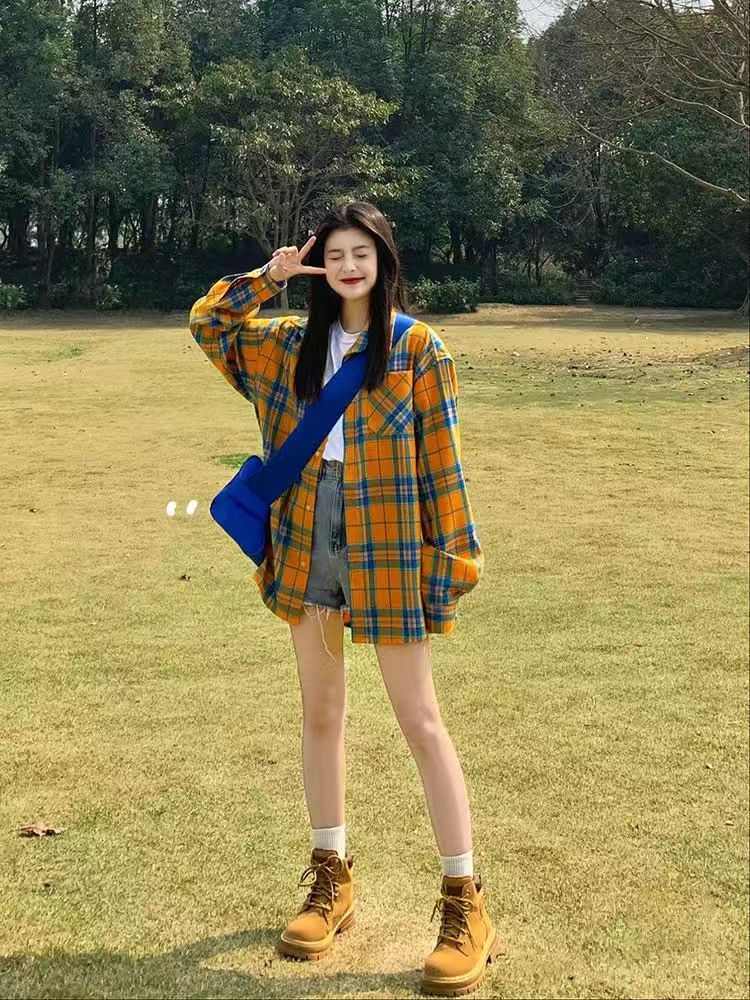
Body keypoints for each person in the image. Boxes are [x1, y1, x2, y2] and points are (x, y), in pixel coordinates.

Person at [188, 201, 500, 995]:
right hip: (307, 534)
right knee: (321, 712)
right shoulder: (288, 343)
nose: (349, 266)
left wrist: (452, 563)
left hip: (389, 538)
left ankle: (465, 901)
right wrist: (269, 277)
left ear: (384, 262)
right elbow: (208, 325)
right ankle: (331, 877)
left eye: (363, 253)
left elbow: (443, 464)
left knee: (419, 719)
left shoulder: (418, 350)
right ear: (319, 265)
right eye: (335, 254)